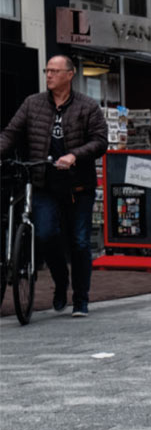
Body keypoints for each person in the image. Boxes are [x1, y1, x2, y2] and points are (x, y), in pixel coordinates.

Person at [0, 54, 107, 318]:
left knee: (80, 242)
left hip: (77, 187)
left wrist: (75, 155)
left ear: (69, 75)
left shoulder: (87, 106)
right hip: (43, 183)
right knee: (45, 234)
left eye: (55, 71)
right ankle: (61, 282)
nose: (49, 75)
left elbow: (100, 141)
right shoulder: (33, 104)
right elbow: (11, 133)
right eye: (47, 70)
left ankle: (81, 299)